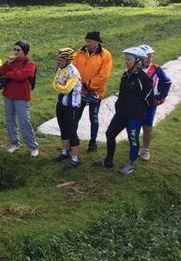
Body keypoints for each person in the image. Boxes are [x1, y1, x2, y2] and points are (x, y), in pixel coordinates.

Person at [94, 47, 154, 175]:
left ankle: (131, 164)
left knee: (133, 139)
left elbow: (149, 100)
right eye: (126, 59)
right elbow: (122, 94)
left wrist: (139, 110)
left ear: (138, 62)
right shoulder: (125, 76)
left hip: (135, 116)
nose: (126, 62)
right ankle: (108, 161)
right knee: (110, 134)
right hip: (121, 114)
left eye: (129, 60)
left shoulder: (144, 79)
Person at [73, 31, 113, 153]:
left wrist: (88, 85)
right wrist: (78, 86)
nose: (87, 43)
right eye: (86, 41)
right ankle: (73, 141)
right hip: (80, 92)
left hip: (95, 93)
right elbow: (73, 69)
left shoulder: (105, 56)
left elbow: (104, 76)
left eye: (89, 41)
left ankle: (92, 142)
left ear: (97, 42)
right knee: (75, 117)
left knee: (93, 118)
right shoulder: (79, 53)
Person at [0, 40, 39, 157]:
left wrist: (9, 74)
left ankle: (33, 146)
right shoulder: (12, 62)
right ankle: (14, 143)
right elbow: (0, 71)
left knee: (24, 121)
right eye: (14, 49)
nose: (15, 52)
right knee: (10, 120)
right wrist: (8, 64)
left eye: (18, 50)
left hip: (21, 97)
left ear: (25, 52)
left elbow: (21, 76)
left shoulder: (30, 64)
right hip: (8, 95)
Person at [50, 48, 83, 170]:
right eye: (58, 59)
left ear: (68, 60)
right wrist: (60, 86)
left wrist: (60, 86)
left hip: (72, 106)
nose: (58, 61)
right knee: (63, 128)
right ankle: (65, 152)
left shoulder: (73, 72)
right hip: (61, 103)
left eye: (61, 59)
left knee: (71, 131)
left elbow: (66, 89)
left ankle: (75, 158)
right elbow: (54, 84)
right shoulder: (60, 69)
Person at [138, 44, 172, 161]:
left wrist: (161, 97)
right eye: (146, 56)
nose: (149, 58)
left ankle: (146, 149)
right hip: (136, 103)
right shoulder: (134, 68)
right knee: (135, 125)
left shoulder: (157, 69)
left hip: (151, 103)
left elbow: (167, 82)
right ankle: (135, 146)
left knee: (147, 127)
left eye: (150, 56)